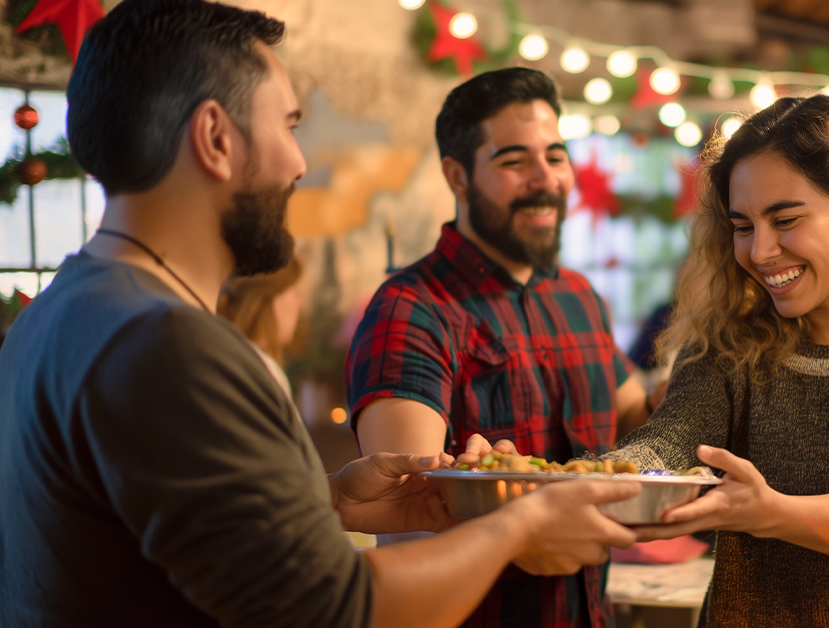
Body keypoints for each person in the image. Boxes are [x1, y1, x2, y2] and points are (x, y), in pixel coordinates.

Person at [0, 2, 640, 627]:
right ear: (216, 138)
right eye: (289, 125)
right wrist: (521, 522)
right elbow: (343, 610)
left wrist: (326, 498)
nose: (299, 163)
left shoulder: (54, 313)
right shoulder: (172, 343)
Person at [470, 95, 829, 625]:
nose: (760, 251)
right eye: (743, 226)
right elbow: (664, 447)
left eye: (786, 219)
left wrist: (769, 510)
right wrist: (534, 485)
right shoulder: (730, 345)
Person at [345, 67, 655, 628]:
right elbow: (412, 510)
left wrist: (717, 370)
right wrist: (518, 523)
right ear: (457, 177)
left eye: (556, 157)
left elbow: (637, 418)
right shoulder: (412, 308)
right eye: (514, 162)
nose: (546, 179)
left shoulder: (577, 296)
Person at [218, 256, 304, 398]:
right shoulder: (262, 372)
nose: (299, 304)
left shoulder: (225, 357)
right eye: (296, 292)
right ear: (270, 297)